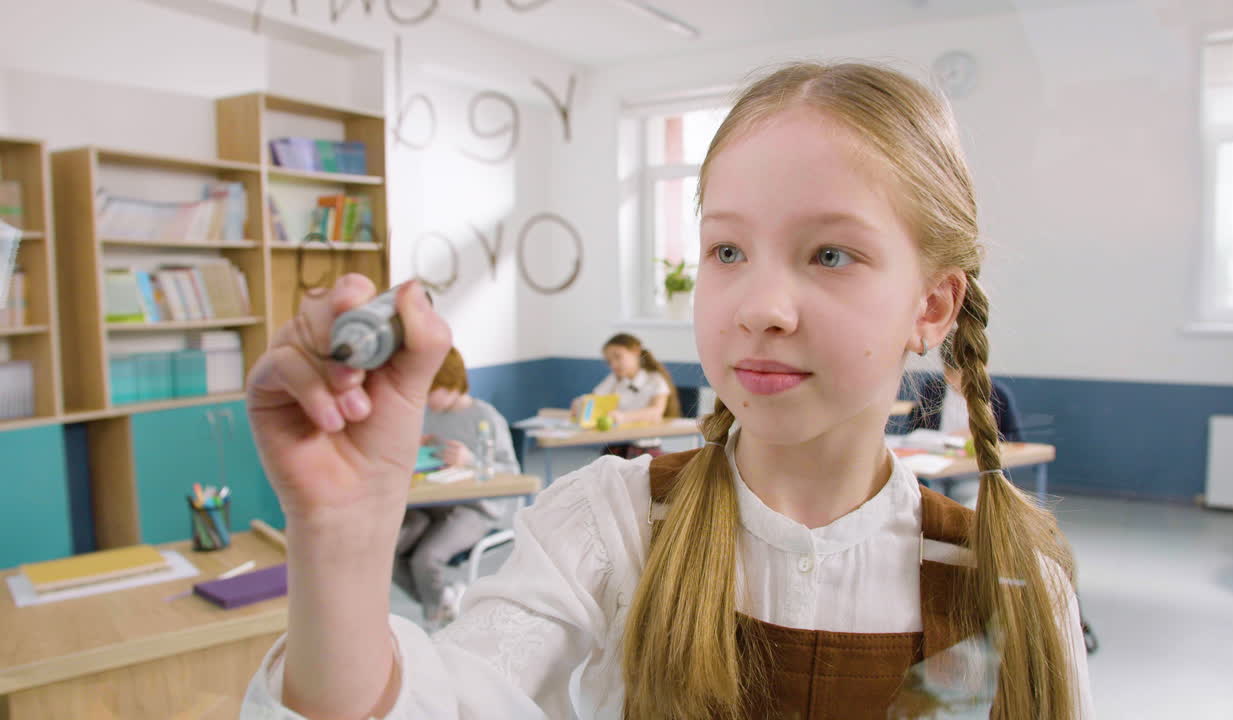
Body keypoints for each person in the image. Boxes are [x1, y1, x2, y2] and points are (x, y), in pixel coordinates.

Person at [242, 62, 1093, 719]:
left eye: (830, 254)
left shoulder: (1007, 579)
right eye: (727, 251)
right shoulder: (610, 526)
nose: (759, 306)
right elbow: (453, 697)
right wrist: (342, 544)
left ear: (932, 305)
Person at [393, 346, 520, 628]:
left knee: (425, 558)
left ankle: (437, 614)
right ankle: (443, 600)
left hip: (478, 508)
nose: (424, 400)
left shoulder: (484, 416)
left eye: (429, 391)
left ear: (450, 383)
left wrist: (470, 460)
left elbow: (510, 473)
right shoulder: (429, 415)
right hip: (433, 503)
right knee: (389, 549)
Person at [570, 333, 682, 459]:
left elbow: (656, 412)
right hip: (616, 445)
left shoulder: (655, 380)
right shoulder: (614, 379)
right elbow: (594, 399)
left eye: (618, 357)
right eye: (609, 362)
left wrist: (623, 417)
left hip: (644, 448)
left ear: (636, 352)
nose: (613, 365)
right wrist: (580, 403)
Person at [905, 336, 1023, 441]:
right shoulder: (932, 390)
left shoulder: (998, 396)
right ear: (947, 373)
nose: (969, 383)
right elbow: (914, 432)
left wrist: (985, 435)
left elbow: (1015, 441)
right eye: (958, 376)